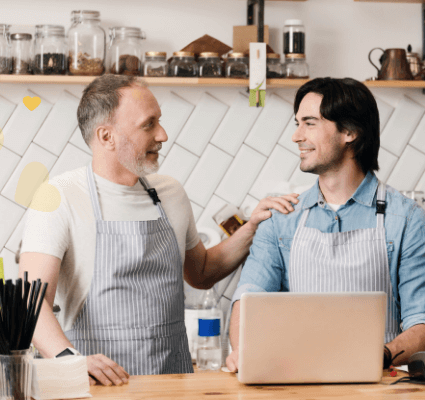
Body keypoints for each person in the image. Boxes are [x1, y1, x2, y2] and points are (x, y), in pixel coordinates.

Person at [18, 75, 298, 386]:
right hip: (96, 387)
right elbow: (31, 302)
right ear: (106, 136)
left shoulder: (170, 193)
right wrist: (68, 360)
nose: (162, 135)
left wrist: (252, 227)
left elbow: (201, 272)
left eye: (159, 122)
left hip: (171, 381)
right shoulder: (59, 196)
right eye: (148, 124)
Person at [226, 77, 425, 373]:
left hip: (379, 387)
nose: (296, 136)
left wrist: (376, 356)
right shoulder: (282, 219)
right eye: (297, 123)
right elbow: (248, 300)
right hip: (296, 384)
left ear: (350, 132)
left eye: (310, 123)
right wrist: (242, 351)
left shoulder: (408, 221)